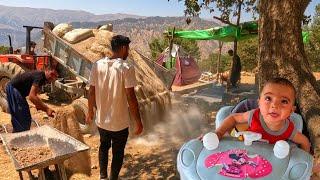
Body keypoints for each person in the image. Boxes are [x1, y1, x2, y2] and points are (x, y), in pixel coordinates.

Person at [86, 35, 143, 180]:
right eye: (128, 48)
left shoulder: (97, 65)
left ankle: (103, 176)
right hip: (119, 123)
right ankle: (113, 178)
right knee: (118, 152)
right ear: (123, 48)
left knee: (103, 147)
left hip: (102, 121)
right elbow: (131, 97)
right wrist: (138, 121)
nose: (128, 52)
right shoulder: (126, 67)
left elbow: (91, 91)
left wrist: (90, 112)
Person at [215, 77, 310, 152]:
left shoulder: (288, 129)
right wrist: (218, 133)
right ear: (259, 103)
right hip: (245, 154)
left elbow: (304, 142)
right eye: (268, 98)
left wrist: (305, 158)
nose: (274, 105)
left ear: (291, 110)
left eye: (284, 101)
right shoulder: (253, 116)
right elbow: (233, 118)